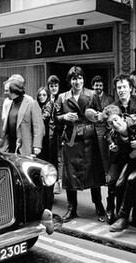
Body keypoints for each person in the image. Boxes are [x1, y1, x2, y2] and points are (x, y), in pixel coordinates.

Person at [56, 66, 108, 222]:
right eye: (74, 79)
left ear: (83, 79)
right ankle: (72, 208)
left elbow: (101, 116)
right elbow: (55, 118)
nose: (77, 81)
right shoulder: (62, 97)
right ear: (69, 81)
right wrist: (64, 117)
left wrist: (95, 116)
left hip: (89, 138)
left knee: (93, 173)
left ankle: (98, 205)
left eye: (79, 78)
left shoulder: (92, 94)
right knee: (70, 175)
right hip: (71, 140)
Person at [102, 73, 136, 224]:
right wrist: (111, 142)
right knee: (113, 181)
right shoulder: (113, 106)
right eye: (118, 88)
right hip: (120, 152)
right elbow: (106, 130)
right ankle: (111, 210)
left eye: (124, 87)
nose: (121, 90)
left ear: (130, 88)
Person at [0, 74, 44, 157]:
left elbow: (38, 126)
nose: (5, 93)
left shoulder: (31, 103)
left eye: (7, 91)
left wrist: (37, 146)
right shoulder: (9, 104)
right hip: (10, 147)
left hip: (25, 148)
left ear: (14, 91)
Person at [45, 75, 63, 194]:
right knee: (51, 157)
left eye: (55, 86)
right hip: (49, 132)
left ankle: (59, 182)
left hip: (59, 132)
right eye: (51, 86)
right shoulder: (48, 100)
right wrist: (50, 101)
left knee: (59, 158)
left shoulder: (62, 98)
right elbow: (45, 115)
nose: (54, 88)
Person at [35, 86, 51, 162]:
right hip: (40, 136)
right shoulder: (37, 105)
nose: (41, 97)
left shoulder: (49, 104)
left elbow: (44, 117)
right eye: (40, 95)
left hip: (47, 137)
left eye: (44, 95)